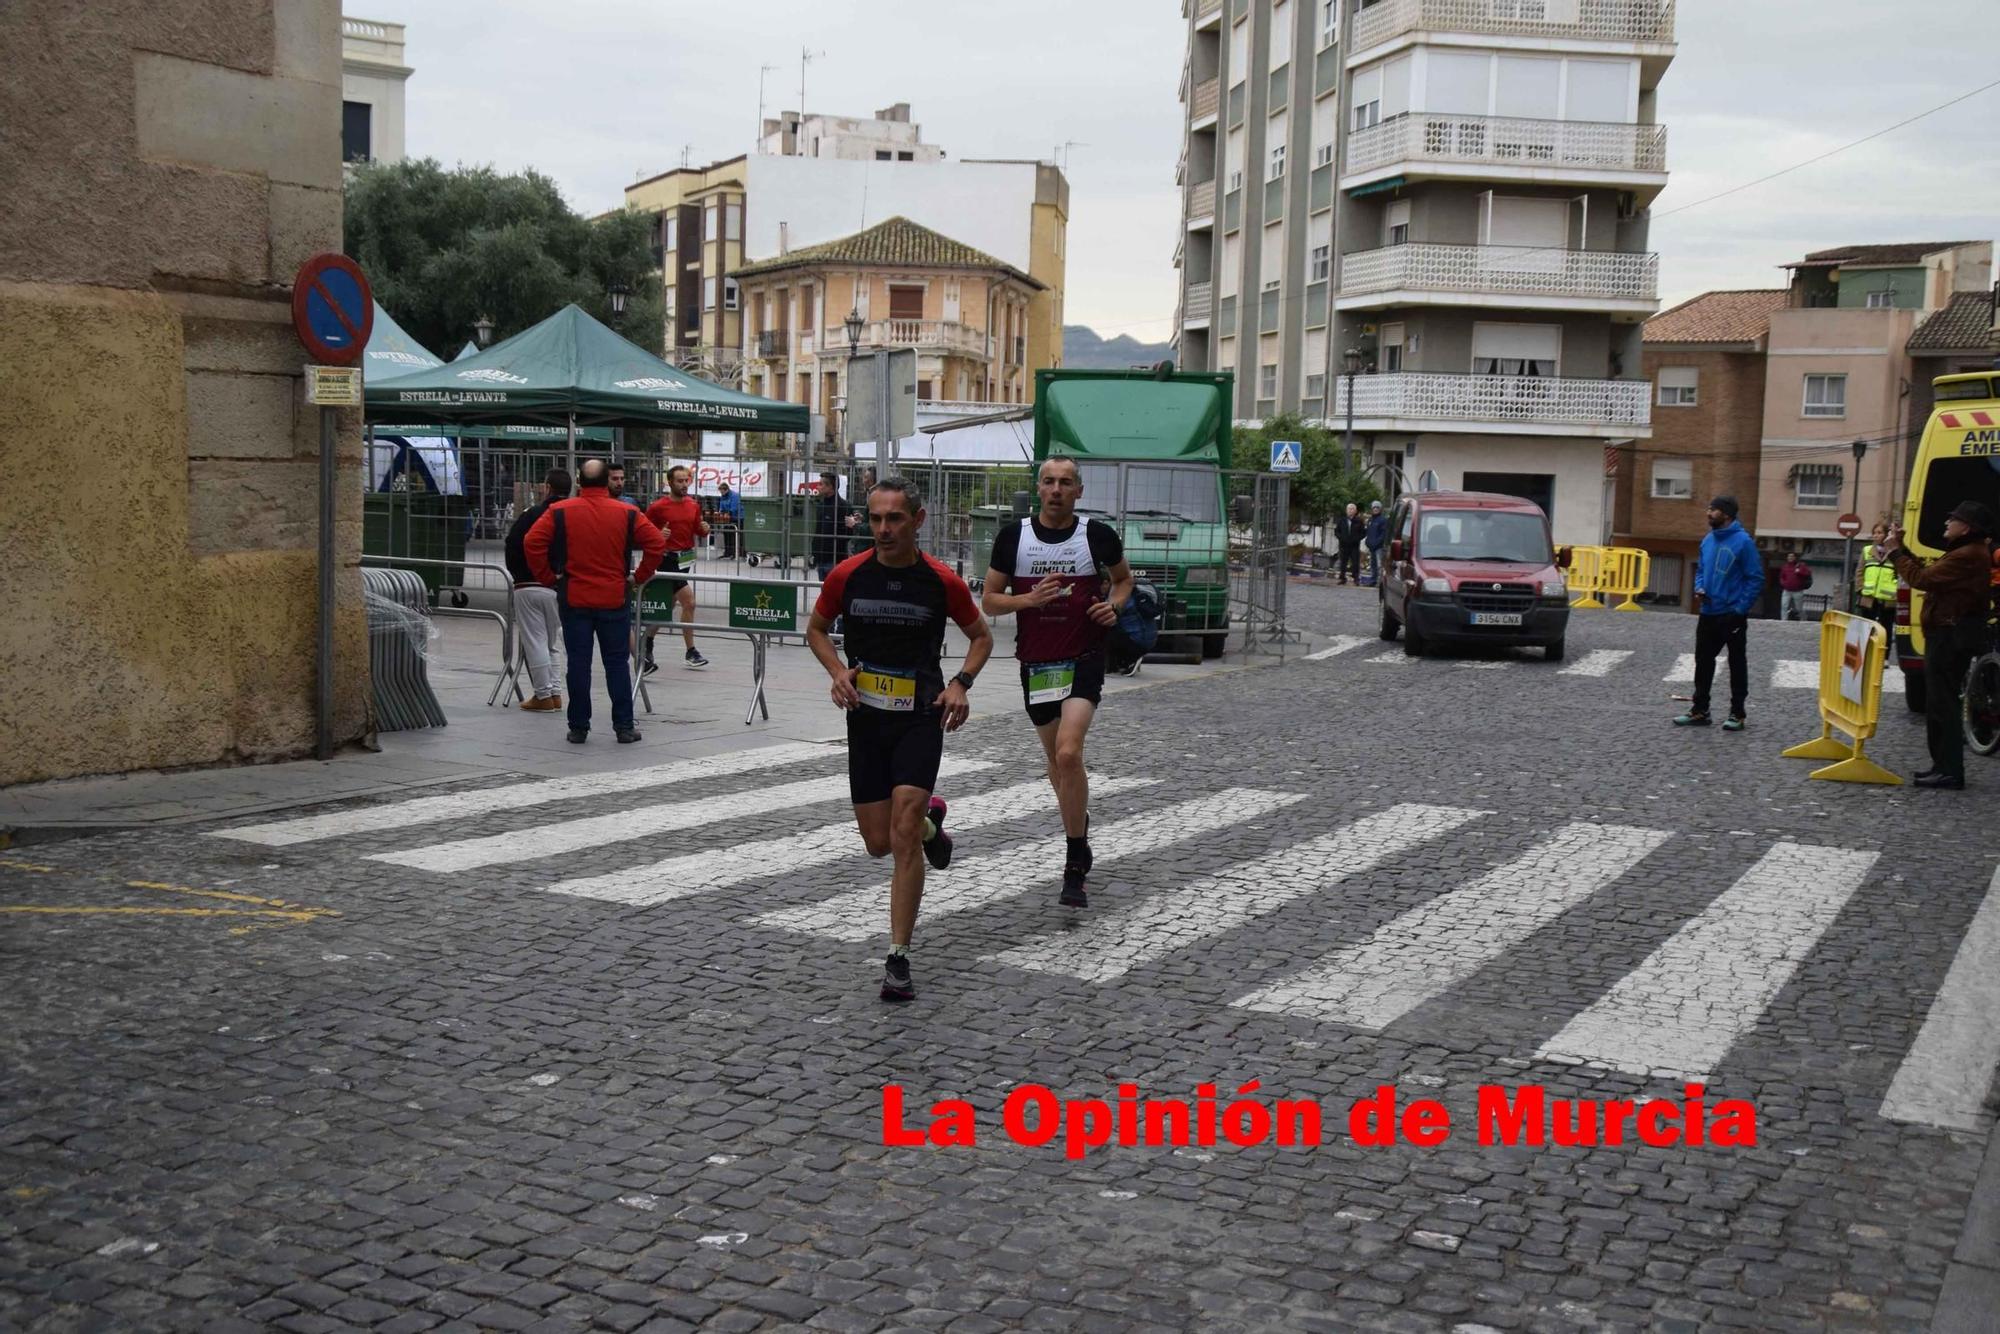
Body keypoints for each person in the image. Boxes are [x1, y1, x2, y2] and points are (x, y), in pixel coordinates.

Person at [808, 477, 994, 1002]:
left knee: (903, 828)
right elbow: (816, 630)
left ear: (918, 520)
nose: (884, 529)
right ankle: (935, 826)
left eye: (894, 519)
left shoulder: (940, 580)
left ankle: (899, 958)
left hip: (920, 715)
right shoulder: (848, 575)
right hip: (867, 718)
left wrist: (961, 683)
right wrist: (837, 671)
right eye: (875, 519)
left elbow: (982, 636)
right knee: (878, 843)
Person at [980, 455, 1135, 909]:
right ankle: (1078, 825)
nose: (1056, 490)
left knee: (1069, 751)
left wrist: (1115, 607)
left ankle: (1073, 858)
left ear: (1078, 491)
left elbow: (1124, 581)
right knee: (1057, 762)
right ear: (1038, 488)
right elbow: (989, 600)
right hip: (1037, 664)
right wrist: (1028, 599)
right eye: (1048, 482)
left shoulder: (1097, 535)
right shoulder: (1014, 538)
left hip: (1084, 658)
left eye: (1065, 483)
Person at [525, 458, 667, 745]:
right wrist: (639, 576)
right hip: (614, 596)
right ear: (606, 482)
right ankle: (624, 726)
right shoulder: (627, 512)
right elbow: (657, 543)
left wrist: (549, 577)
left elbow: (531, 542)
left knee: (578, 663)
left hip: (574, 596)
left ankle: (578, 727)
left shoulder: (559, 511)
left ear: (579, 481)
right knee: (616, 663)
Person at [1882, 501, 1995, 790]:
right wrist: (1902, 548)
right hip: (1947, 632)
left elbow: (1922, 579)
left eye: (1953, 519)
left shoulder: (1968, 554)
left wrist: (1895, 552)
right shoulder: (1964, 551)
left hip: (1950, 635)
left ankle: (1950, 771)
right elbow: (1927, 573)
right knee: (1938, 701)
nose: (1947, 523)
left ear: (1966, 527)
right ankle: (1942, 766)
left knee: (1943, 702)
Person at [1675, 496, 1764, 732]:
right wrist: (1700, 587)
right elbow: (1701, 569)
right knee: (1703, 662)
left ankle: (1737, 713)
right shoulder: (1708, 540)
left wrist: (1740, 610)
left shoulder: (1743, 542)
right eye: (1709, 507)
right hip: (1708, 611)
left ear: (1726, 514)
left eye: (1713, 509)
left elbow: (1755, 578)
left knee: (1736, 663)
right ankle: (1700, 710)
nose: (1708, 512)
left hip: (1732, 613)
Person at [503, 467, 571, 712]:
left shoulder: (532, 514)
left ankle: (542, 695)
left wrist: (520, 573)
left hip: (528, 584)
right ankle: (555, 693)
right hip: (558, 586)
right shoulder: (571, 515)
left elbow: (513, 544)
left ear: (547, 487)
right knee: (553, 642)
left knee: (535, 641)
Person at [642, 465, 711, 673]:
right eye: (679, 481)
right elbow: (642, 529)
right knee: (689, 602)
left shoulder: (693, 505)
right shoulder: (658, 507)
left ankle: (646, 644)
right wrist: (657, 533)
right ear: (669, 483)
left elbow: (697, 529)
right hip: (666, 559)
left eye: (686, 480)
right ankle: (691, 651)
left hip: (684, 560)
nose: (683, 485)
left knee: (667, 606)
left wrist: (705, 529)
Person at [1859, 521, 1899, 638]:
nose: (1876, 535)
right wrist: (1860, 589)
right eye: (1874, 533)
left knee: (1885, 631)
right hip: (1868, 598)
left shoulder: (1894, 552)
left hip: (1888, 599)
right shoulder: (1867, 550)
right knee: (1866, 631)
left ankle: (1884, 656)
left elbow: (1899, 573)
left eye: (1879, 533)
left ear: (1887, 534)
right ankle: (1866, 654)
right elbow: (1859, 572)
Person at [812, 471, 852, 583]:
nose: (818, 487)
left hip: (836, 559)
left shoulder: (844, 506)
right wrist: (815, 552)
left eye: (821, 484)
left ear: (830, 487)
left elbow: (848, 533)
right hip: (821, 558)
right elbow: (818, 530)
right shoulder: (821, 506)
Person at [1332, 502, 1365, 586]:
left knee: (1355, 563)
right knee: (1343, 562)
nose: (1350, 511)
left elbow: (1363, 532)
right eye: (1349, 509)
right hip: (1344, 545)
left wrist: (1357, 539)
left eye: (1352, 509)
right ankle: (1342, 578)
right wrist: (1341, 538)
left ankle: (1356, 578)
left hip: (1354, 545)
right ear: (1346, 511)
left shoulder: (1359, 521)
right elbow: (1336, 531)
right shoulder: (1342, 520)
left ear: (1355, 511)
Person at [1777, 551, 1813, 620]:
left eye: (1792, 556)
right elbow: (1782, 577)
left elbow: (1808, 573)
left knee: (1799, 608)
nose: (1790, 558)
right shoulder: (1785, 567)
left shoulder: (1801, 565)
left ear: (1795, 558)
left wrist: (1800, 571)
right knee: (1784, 606)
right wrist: (1783, 583)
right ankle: (1783, 620)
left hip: (1798, 591)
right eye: (1789, 556)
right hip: (1787, 590)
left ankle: (1803, 619)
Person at [714, 481, 743, 559]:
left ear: (726, 490)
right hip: (727, 517)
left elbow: (734, 508)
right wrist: (720, 512)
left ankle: (737, 553)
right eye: (720, 492)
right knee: (726, 532)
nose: (721, 493)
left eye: (722, 492)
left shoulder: (735, 496)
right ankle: (727, 552)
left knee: (734, 535)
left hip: (737, 517)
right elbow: (721, 506)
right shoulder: (723, 496)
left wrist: (728, 513)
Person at [1364, 501, 1388, 586]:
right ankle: (1373, 580)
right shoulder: (1370, 520)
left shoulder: (1383, 520)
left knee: (1379, 565)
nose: (1375, 509)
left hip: (1379, 547)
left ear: (1380, 509)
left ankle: (1380, 582)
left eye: (1377, 507)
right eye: (1374, 507)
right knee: (1372, 565)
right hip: (1371, 547)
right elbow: (1368, 532)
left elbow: (1383, 534)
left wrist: (1376, 543)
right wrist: (1367, 542)